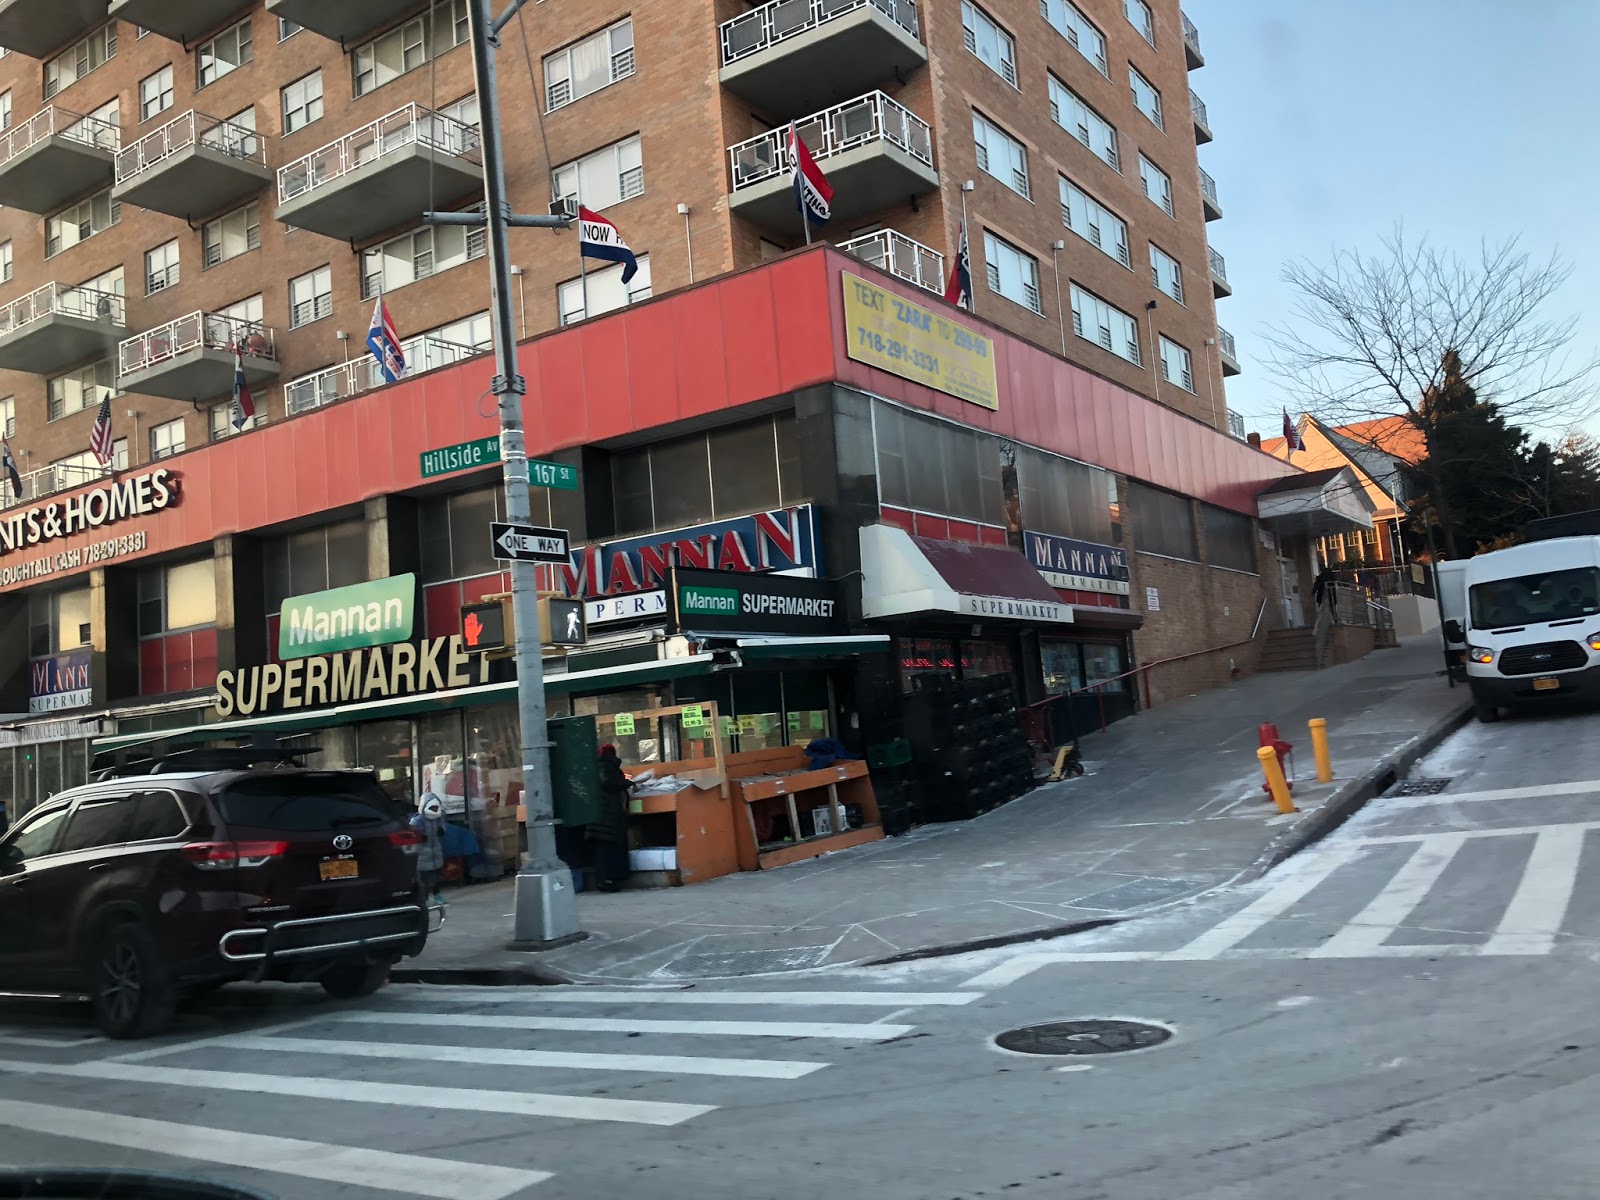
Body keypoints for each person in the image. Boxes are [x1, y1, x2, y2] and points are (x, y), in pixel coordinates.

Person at [590, 744, 634, 892]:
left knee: (603, 849)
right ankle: (607, 880)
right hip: (607, 814)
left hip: (601, 814)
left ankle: (606, 880)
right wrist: (626, 783)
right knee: (607, 848)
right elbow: (608, 783)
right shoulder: (605, 766)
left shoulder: (596, 765)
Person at [410, 793, 448, 905]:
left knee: (437, 876)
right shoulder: (417, 821)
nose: (435, 810)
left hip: (436, 853)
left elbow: (444, 828)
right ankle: (424, 898)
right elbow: (411, 833)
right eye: (432, 808)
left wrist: (442, 831)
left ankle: (437, 895)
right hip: (422, 855)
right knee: (423, 879)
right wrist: (419, 836)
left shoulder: (438, 820)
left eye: (436, 808)